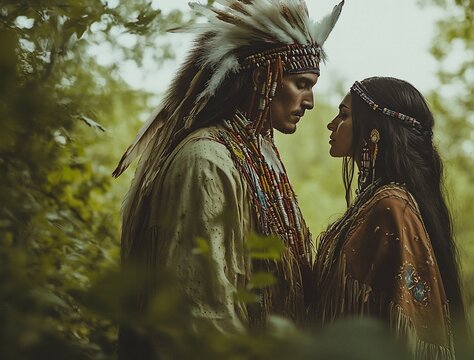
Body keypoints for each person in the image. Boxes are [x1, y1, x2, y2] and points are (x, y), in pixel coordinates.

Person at [111, 0, 343, 358]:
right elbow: (199, 310)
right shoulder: (205, 161)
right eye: (301, 83)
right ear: (261, 77)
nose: (310, 101)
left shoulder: (257, 158)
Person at [313, 77, 466, 359]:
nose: (331, 124)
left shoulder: (391, 207)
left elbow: (408, 326)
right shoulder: (374, 203)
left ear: (374, 130)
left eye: (344, 115)